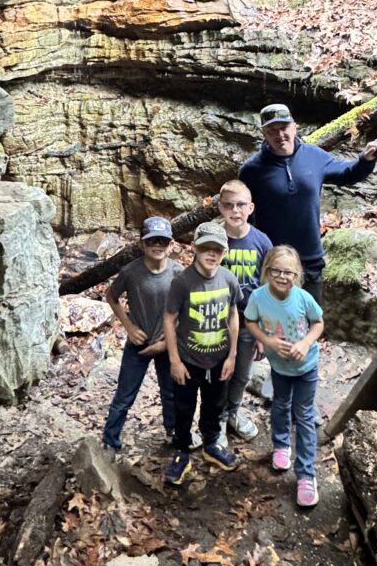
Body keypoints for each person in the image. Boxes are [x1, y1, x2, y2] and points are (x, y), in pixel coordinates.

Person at [238, 103, 377, 303]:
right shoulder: (251, 170)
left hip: (310, 259)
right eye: (272, 130)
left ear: (294, 127)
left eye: (284, 127)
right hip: (273, 261)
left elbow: (347, 174)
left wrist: (366, 159)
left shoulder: (313, 156)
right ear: (264, 133)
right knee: (276, 326)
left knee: (309, 323)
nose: (279, 134)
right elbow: (243, 217)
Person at [245, 245, 324, 508]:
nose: (282, 276)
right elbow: (250, 321)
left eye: (288, 272)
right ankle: (281, 446)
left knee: (303, 416)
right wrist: (267, 340)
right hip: (279, 367)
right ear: (267, 271)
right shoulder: (258, 297)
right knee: (280, 404)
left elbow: (318, 323)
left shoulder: (302, 298)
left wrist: (305, 344)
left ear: (297, 274)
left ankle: (306, 475)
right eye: (276, 271)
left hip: (306, 367)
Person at [162, 223, 242, 486]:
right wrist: (174, 360)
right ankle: (182, 450)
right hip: (189, 359)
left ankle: (211, 444)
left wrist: (231, 356)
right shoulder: (183, 282)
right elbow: (169, 318)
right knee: (183, 406)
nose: (211, 254)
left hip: (218, 359)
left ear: (224, 251)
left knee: (215, 404)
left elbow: (233, 315)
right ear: (194, 248)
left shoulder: (229, 279)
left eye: (217, 249)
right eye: (205, 248)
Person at [101, 216, 184, 459]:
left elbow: (185, 309)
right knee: (125, 394)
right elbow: (111, 296)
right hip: (138, 343)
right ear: (141, 244)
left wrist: (167, 343)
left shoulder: (178, 273)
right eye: (151, 241)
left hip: (166, 343)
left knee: (170, 392)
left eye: (162, 241)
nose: (157, 246)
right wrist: (127, 325)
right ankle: (110, 441)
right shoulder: (131, 272)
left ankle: (173, 432)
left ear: (171, 245)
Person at [215, 179, 272, 445]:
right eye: (228, 205)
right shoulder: (212, 239)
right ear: (219, 207)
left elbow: (267, 290)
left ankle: (232, 413)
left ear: (251, 208)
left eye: (240, 205)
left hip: (249, 321)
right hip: (217, 322)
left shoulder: (261, 242)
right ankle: (215, 420)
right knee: (218, 372)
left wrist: (262, 333)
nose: (234, 211)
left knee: (242, 374)